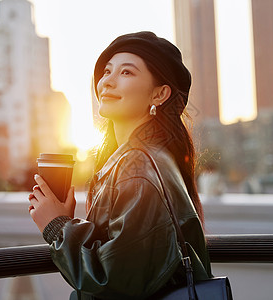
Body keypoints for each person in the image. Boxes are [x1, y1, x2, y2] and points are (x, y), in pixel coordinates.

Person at [28, 31, 212, 299]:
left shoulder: (139, 164)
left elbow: (114, 279)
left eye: (126, 73)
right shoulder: (150, 156)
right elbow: (131, 251)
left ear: (159, 94)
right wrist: (69, 220)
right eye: (106, 71)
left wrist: (57, 226)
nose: (108, 82)